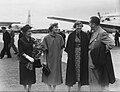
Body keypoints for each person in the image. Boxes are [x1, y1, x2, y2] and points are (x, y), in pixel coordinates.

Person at [88, 16, 115, 91]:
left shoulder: (101, 32)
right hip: (91, 58)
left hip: (96, 59)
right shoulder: (95, 32)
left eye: (89, 23)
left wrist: (101, 53)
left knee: (97, 78)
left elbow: (111, 44)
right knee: (93, 78)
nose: (89, 24)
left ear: (93, 24)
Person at [64, 21, 89, 92]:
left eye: (80, 26)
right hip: (73, 55)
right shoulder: (71, 35)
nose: (79, 27)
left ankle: (79, 89)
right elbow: (68, 46)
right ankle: (68, 89)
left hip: (82, 55)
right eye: (77, 26)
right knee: (71, 71)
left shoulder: (85, 35)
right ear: (75, 26)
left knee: (81, 71)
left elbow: (87, 46)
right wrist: (71, 54)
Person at [41, 23, 64, 92]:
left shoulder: (60, 37)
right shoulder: (46, 38)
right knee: (48, 74)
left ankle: (54, 89)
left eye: (57, 27)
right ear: (51, 29)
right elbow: (44, 50)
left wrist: (60, 55)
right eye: (55, 27)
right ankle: (50, 89)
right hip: (49, 59)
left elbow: (62, 47)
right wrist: (44, 60)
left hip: (57, 59)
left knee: (56, 75)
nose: (57, 28)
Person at [18, 25, 36, 92]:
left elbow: (36, 48)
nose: (30, 33)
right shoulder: (21, 40)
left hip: (31, 60)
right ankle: (25, 90)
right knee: (24, 76)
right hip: (24, 60)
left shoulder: (32, 40)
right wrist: (27, 57)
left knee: (31, 76)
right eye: (28, 31)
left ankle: (29, 89)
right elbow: (21, 51)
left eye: (30, 31)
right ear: (24, 32)